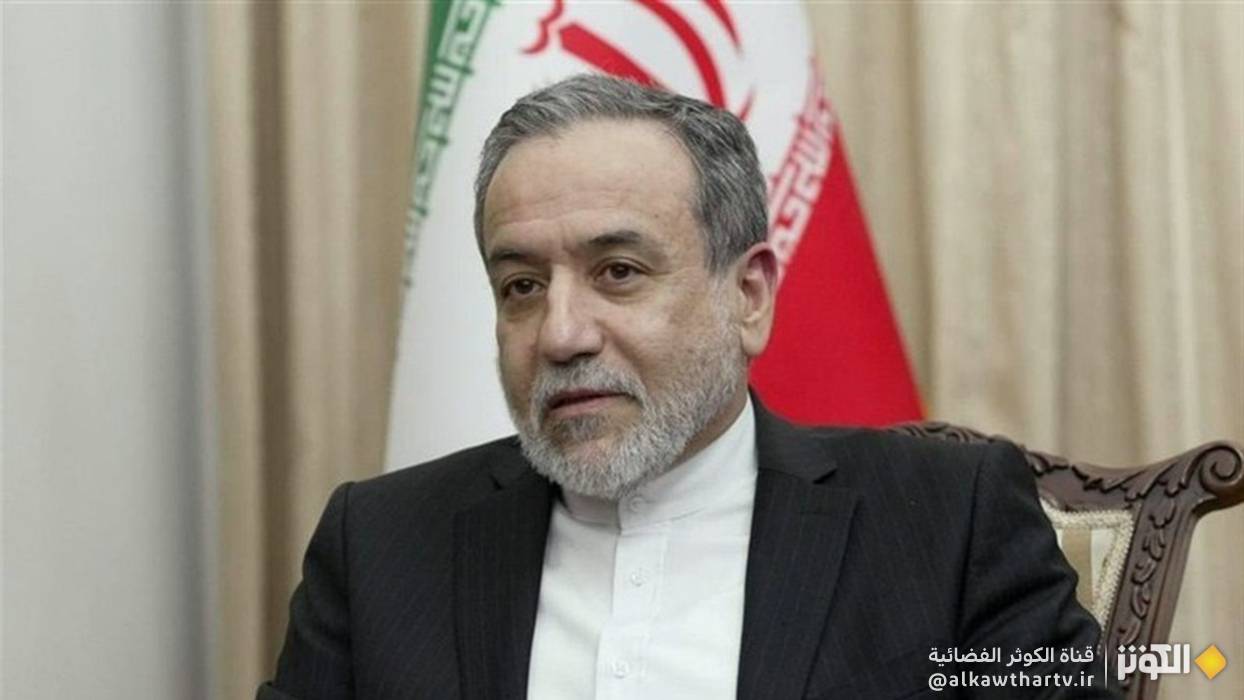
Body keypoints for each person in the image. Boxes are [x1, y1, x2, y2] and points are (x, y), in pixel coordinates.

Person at [259, 74, 1117, 699]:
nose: (561, 334)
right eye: (521, 286)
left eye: (619, 271)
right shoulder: (380, 545)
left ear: (747, 297)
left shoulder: (946, 519)